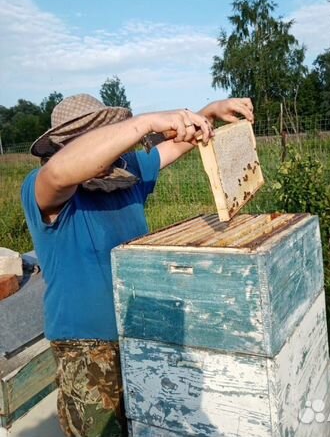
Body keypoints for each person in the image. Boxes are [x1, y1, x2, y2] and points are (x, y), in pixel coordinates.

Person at [21, 93, 254, 437]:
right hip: (87, 350)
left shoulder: (125, 177)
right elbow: (59, 173)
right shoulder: (45, 191)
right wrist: (145, 122)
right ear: (63, 145)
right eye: (86, 138)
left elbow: (174, 146)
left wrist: (209, 113)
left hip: (142, 334)